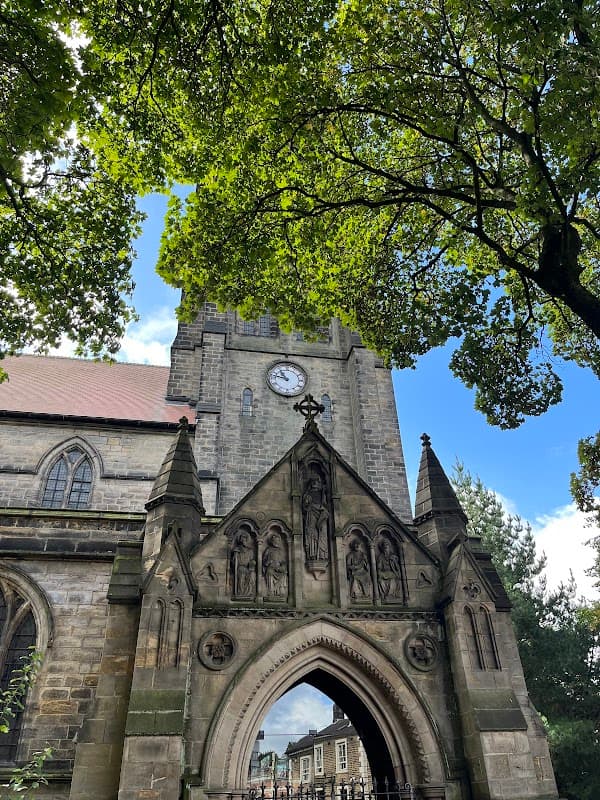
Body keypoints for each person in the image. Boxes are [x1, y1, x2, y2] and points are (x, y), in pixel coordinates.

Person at [302, 474, 329, 561]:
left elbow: (326, 506)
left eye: (316, 482)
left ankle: (322, 555)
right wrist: (307, 502)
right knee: (312, 534)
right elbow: (305, 506)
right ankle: (312, 554)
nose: (315, 483)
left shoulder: (322, 494)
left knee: (323, 534)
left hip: (322, 515)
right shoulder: (308, 494)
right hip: (311, 515)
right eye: (313, 482)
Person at [262, 532, 288, 597]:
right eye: (275, 540)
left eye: (277, 540)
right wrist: (269, 562)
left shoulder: (280, 551)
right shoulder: (268, 550)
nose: (276, 542)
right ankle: (271, 590)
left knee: (284, 572)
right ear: (272, 541)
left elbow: (283, 561)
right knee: (269, 571)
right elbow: (264, 562)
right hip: (271, 567)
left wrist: (283, 566)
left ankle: (280, 590)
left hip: (278, 568)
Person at [231, 530, 256, 597]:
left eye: (245, 538)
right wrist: (235, 556)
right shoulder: (237, 549)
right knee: (241, 572)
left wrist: (252, 563)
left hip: (248, 568)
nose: (243, 539)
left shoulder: (250, 551)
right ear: (240, 539)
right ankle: (241, 592)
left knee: (252, 574)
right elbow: (233, 562)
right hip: (240, 567)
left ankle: (249, 592)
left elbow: (252, 560)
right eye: (242, 538)